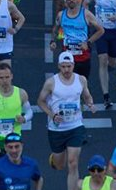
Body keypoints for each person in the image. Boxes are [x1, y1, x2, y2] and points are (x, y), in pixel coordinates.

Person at [39, 51, 95, 190]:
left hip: (75, 126)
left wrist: (90, 104)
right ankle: (55, 157)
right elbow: (40, 102)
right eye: (63, 67)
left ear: (73, 65)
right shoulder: (51, 82)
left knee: (73, 163)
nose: (66, 70)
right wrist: (52, 115)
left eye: (69, 66)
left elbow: (87, 95)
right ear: (59, 66)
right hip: (57, 128)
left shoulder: (81, 80)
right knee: (59, 165)